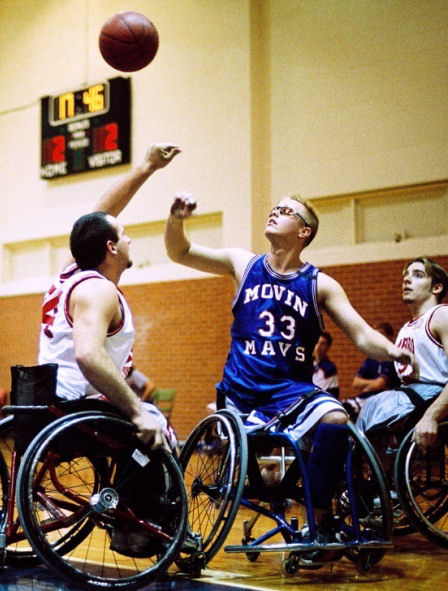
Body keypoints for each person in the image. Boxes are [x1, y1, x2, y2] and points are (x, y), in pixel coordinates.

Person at [165, 191, 412, 541]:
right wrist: (176, 220)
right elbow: (180, 252)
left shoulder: (320, 284)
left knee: (337, 418)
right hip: (243, 389)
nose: (275, 213)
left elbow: (361, 334)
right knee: (264, 457)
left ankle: (320, 520)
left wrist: (393, 351)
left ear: (304, 232)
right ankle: (274, 488)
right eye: (274, 208)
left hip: (291, 392)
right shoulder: (243, 263)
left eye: (286, 211)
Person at [39, 143, 181, 452]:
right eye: (124, 233)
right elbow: (88, 355)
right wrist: (137, 411)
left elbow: (99, 216)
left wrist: (147, 167)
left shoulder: (70, 274)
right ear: (112, 247)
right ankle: (145, 501)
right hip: (78, 406)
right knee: (161, 430)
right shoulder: (97, 288)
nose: (130, 238)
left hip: (49, 399)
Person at [357, 257, 448, 451]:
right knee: (369, 410)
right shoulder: (406, 328)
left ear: (437, 288)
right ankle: (380, 478)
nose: (406, 280)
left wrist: (431, 416)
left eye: (418, 275)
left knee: (377, 411)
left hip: (434, 395)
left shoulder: (441, 315)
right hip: (411, 393)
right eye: (406, 275)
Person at [343, 322, 399, 420]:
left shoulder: (392, 357)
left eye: (380, 335)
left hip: (384, 400)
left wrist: (366, 386)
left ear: (390, 337)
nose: (377, 339)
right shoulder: (372, 357)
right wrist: (371, 386)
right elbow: (356, 383)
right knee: (340, 408)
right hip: (367, 397)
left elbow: (379, 385)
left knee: (346, 409)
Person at [312, 331, 340, 399]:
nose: (318, 346)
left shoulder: (329, 368)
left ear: (328, 347)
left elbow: (317, 390)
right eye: (317, 342)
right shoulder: (307, 363)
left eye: (322, 343)